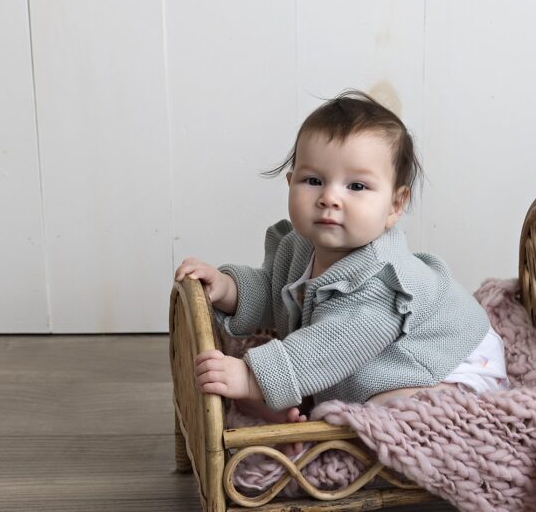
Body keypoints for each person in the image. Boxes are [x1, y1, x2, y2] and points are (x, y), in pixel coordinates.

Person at [173, 89, 509, 456]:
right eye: (313, 180)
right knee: (273, 380)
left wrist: (253, 377)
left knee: (387, 412)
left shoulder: (383, 284)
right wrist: (227, 288)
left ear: (395, 205)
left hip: (450, 360)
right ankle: (291, 404)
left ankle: (299, 401)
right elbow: (274, 291)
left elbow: (330, 346)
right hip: (377, 350)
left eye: (356, 186)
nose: (330, 198)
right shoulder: (298, 247)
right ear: (290, 184)